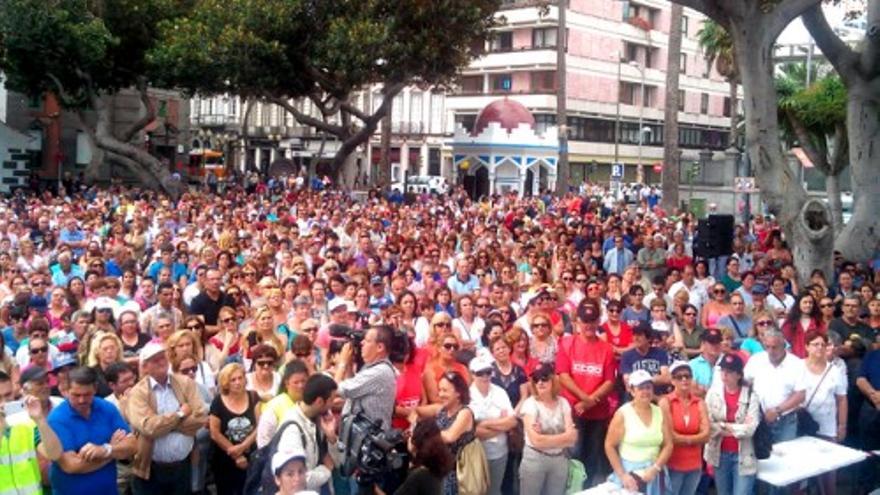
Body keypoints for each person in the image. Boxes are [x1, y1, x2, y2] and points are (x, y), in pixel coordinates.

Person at [125, 342, 208, 495]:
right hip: (151, 470)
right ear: (145, 366)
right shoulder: (137, 393)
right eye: (154, 360)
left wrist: (164, 426)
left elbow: (201, 417)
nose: (161, 362)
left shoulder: (185, 383)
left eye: (162, 357)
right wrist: (179, 415)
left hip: (183, 467)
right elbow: (148, 427)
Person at [49, 367, 137, 495]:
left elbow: (133, 445)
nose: (82, 400)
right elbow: (71, 465)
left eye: (87, 394)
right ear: (66, 391)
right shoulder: (57, 419)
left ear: (95, 389)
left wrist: (105, 449)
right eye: (76, 395)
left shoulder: (106, 408)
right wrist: (111, 452)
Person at [556, 299, 615, 486]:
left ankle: (587, 489)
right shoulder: (566, 343)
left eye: (592, 320)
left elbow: (609, 381)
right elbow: (563, 375)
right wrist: (584, 398)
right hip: (574, 411)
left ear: (598, 322)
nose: (589, 325)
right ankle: (571, 489)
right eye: (585, 320)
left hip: (597, 412)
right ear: (577, 321)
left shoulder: (606, 348)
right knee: (574, 454)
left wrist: (590, 401)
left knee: (592, 456)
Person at [605, 369, 673, 495]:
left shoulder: (659, 412)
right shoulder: (622, 414)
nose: (645, 391)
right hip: (630, 475)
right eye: (640, 388)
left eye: (648, 387)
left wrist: (655, 468)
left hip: (654, 473)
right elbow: (609, 445)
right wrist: (623, 475)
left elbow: (668, 444)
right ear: (632, 391)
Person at [795, 331, 847, 495]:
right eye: (815, 344)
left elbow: (842, 399)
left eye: (823, 344)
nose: (819, 348)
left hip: (827, 426)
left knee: (828, 475)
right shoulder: (797, 367)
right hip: (802, 426)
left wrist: (842, 425)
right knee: (799, 473)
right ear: (806, 347)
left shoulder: (835, 370)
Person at [517, 363, 577, 495]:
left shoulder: (563, 402)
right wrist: (563, 437)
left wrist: (544, 437)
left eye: (544, 378)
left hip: (559, 459)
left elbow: (572, 439)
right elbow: (536, 441)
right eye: (536, 379)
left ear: (553, 380)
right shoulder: (530, 404)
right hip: (535, 459)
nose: (540, 382)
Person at [705, 354, 760, 495]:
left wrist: (724, 426)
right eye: (722, 371)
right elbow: (708, 424)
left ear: (739, 375)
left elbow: (750, 429)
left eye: (729, 372)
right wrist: (735, 428)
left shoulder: (751, 395)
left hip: (744, 455)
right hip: (720, 454)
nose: (725, 375)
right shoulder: (713, 394)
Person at [275, 373, 341, 493]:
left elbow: (338, 462)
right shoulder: (292, 430)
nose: (334, 403)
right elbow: (295, 480)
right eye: (331, 399)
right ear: (320, 401)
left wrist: (331, 438)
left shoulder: (321, 420)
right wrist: (326, 470)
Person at [415, 370, 475, 495]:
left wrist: (426, 430)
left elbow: (449, 436)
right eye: (440, 390)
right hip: (438, 470)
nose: (441, 394)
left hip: (456, 475)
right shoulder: (441, 409)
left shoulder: (465, 413)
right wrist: (414, 426)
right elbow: (416, 412)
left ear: (458, 393)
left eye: (445, 390)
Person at [743, 329, 805, 449]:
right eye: (767, 347)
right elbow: (745, 383)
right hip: (758, 417)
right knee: (761, 457)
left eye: (775, 347)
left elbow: (800, 394)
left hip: (786, 419)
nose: (770, 351)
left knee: (786, 455)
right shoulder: (756, 360)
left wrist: (777, 410)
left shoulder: (796, 364)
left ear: (783, 345)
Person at [659, 361, 709, 495]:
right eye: (679, 377)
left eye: (687, 376)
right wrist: (694, 439)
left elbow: (707, 434)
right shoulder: (666, 402)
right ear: (672, 380)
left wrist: (683, 439)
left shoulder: (699, 402)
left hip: (695, 464)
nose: (684, 379)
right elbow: (670, 436)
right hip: (673, 463)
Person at [208, 363, 260, 495]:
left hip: (250, 457)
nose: (238, 382)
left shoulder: (253, 397)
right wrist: (236, 454)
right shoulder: (218, 401)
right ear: (226, 382)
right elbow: (214, 433)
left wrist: (243, 446)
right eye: (233, 380)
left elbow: (260, 426)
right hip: (224, 459)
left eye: (240, 378)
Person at [334, 325, 397, 431]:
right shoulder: (373, 367)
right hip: (360, 439)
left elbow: (335, 389)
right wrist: (349, 365)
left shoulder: (379, 372)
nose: (361, 343)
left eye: (367, 341)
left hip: (369, 442)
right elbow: (354, 390)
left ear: (380, 347)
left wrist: (342, 363)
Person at [468, 352, 515, 495]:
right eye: (480, 373)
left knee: (494, 491)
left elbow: (512, 422)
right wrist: (501, 425)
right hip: (475, 454)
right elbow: (472, 431)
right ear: (472, 374)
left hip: (499, 453)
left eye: (488, 372)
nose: (485, 376)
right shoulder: (467, 395)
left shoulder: (500, 392)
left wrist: (483, 423)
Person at [0, 395, 62, 495]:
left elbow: (54, 454)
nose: (3, 404)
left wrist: (40, 420)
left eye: (8, 395)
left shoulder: (25, 422)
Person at [375, 419, 454, 495]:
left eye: (411, 435)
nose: (408, 437)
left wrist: (373, 486)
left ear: (415, 443)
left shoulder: (420, 475)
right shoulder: (434, 468)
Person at [256, 360, 309, 448]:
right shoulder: (275, 405)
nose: (301, 386)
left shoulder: (311, 402)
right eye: (296, 382)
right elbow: (264, 439)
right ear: (287, 383)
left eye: (303, 381)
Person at [856, 347, 880, 492]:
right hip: (871, 410)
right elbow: (860, 379)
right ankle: (867, 488)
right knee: (868, 454)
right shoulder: (872, 355)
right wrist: (874, 395)